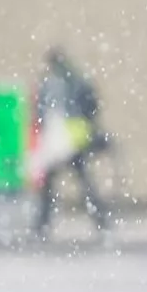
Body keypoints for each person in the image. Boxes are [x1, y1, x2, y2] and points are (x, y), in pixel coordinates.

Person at [33, 47, 111, 238]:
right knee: (82, 180)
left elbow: (42, 111)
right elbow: (92, 104)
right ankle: (100, 219)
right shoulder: (74, 80)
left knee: (55, 182)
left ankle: (43, 223)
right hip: (72, 138)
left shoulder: (54, 83)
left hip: (63, 139)